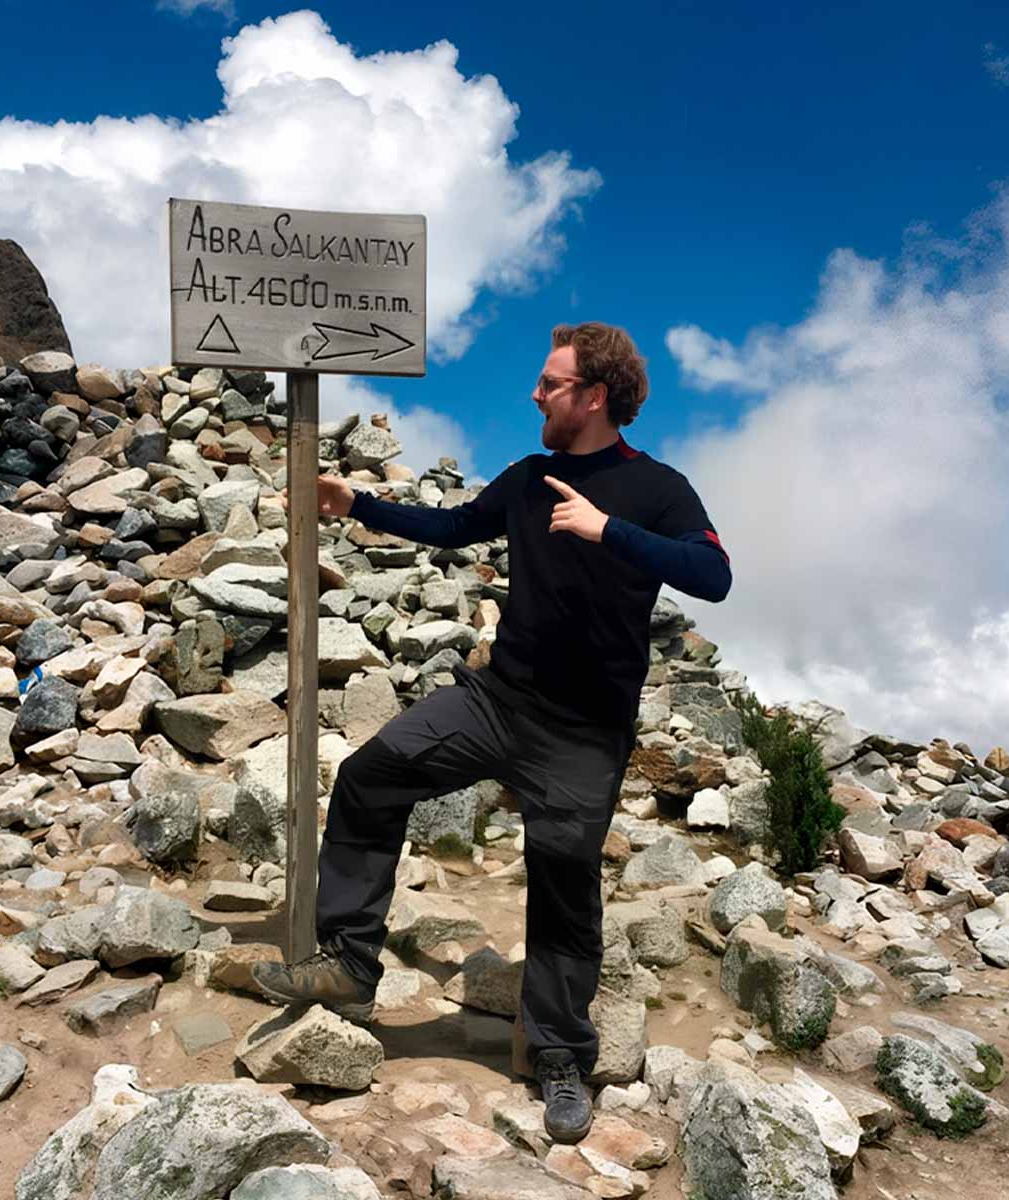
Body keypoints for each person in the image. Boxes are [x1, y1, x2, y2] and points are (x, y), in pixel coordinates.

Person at [254, 321, 732, 1143]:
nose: (535, 394)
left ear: (594, 396)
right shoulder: (531, 477)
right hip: (496, 701)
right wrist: (356, 503)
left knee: (563, 878)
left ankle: (558, 1054)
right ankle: (350, 963)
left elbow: (713, 575)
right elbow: (454, 527)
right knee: (371, 777)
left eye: (551, 383)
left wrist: (607, 530)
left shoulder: (658, 488)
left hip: (585, 732)